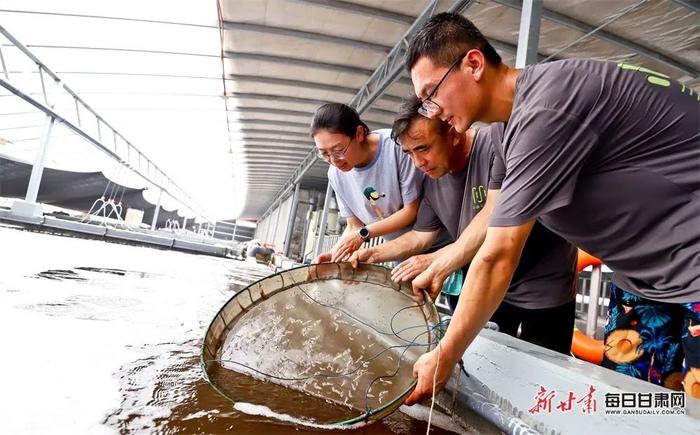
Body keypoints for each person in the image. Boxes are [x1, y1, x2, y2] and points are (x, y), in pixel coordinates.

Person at [403, 12, 700, 404]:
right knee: (629, 410)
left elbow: (498, 255)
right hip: (644, 280)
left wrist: (446, 353)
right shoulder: (507, 129)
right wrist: (441, 261)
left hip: (692, 265)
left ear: (473, 64)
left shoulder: (548, 108)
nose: (432, 110)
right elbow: (495, 215)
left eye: (431, 94)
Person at [350, 96, 578, 355]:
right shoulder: (431, 177)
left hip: (543, 283)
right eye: (409, 153)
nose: (417, 162)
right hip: (487, 282)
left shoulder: (497, 146)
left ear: (453, 132)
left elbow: (494, 219)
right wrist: (373, 253)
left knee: (546, 370)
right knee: (483, 361)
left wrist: (437, 262)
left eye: (423, 148)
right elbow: (420, 236)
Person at [311, 103, 439, 263]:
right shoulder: (335, 175)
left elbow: (409, 212)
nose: (334, 161)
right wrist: (335, 254)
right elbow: (354, 226)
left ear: (358, 133)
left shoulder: (396, 147)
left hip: (434, 241)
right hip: (398, 250)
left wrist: (363, 234)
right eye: (324, 154)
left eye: (338, 150)